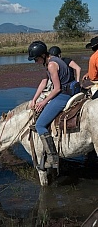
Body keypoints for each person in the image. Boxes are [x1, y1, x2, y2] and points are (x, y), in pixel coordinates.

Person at [28, 41, 71, 171]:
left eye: (36, 59)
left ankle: (53, 158)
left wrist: (43, 101)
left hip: (64, 94)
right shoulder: (52, 60)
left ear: (42, 55)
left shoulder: (52, 65)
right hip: (69, 90)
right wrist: (34, 99)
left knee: (40, 125)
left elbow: (57, 88)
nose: (35, 62)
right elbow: (43, 81)